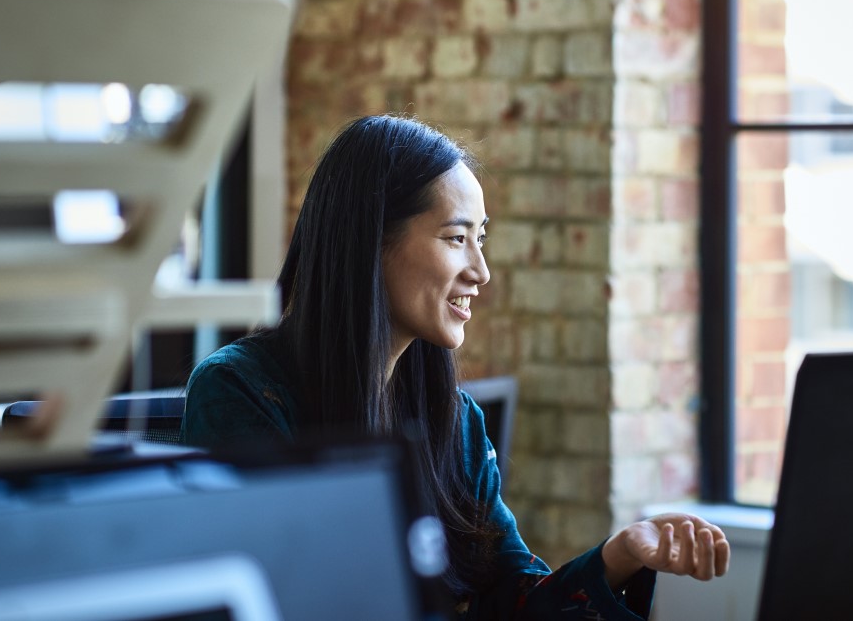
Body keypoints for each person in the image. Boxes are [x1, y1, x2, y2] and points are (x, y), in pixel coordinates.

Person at [181, 114, 729, 619]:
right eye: (456, 238)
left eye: (480, 239)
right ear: (371, 242)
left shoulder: (454, 420)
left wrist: (621, 554)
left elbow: (515, 597)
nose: (481, 270)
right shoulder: (240, 392)